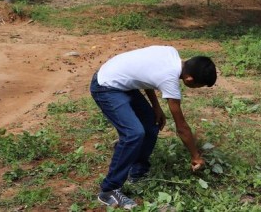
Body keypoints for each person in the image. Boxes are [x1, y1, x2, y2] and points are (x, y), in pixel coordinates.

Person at [89, 45, 217, 209]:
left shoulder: (171, 52)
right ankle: (109, 190)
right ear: (190, 80)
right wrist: (195, 156)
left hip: (121, 82)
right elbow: (181, 127)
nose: (198, 89)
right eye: (200, 86)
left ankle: (137, 170)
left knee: (151, 124)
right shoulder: (170, 79)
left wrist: (155, 107)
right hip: (105, 87)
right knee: (133, 134)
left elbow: (146, 75)